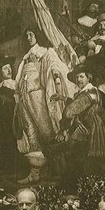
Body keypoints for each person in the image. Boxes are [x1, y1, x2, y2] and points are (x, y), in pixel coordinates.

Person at [13, 27, 75, 183]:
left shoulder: (45, 52)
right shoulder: (26, 57)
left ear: (38, 35)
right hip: (24, 98)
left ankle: (60, 171)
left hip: (38, 96)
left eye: (31, 34)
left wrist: (55, 76)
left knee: (46, 131)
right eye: (26, 35)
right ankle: (34, 173)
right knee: (30, 132)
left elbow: (54, 65)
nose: (28, 37)